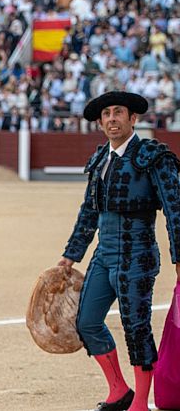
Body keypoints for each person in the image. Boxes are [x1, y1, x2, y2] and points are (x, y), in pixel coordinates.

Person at [58, 91, 180, 411]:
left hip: (138, 255)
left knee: (136, 328)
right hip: (104, 254)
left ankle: (140, 402)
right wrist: (71, 254)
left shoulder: (153, 156)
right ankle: (119, 390)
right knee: (87, 322)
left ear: (132, 118)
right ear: (100, 123)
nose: (112, 119)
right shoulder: (100, 159)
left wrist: (179, 257)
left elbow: (175, 209)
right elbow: (89, 212)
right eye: (106, 115)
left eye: (118, 112)